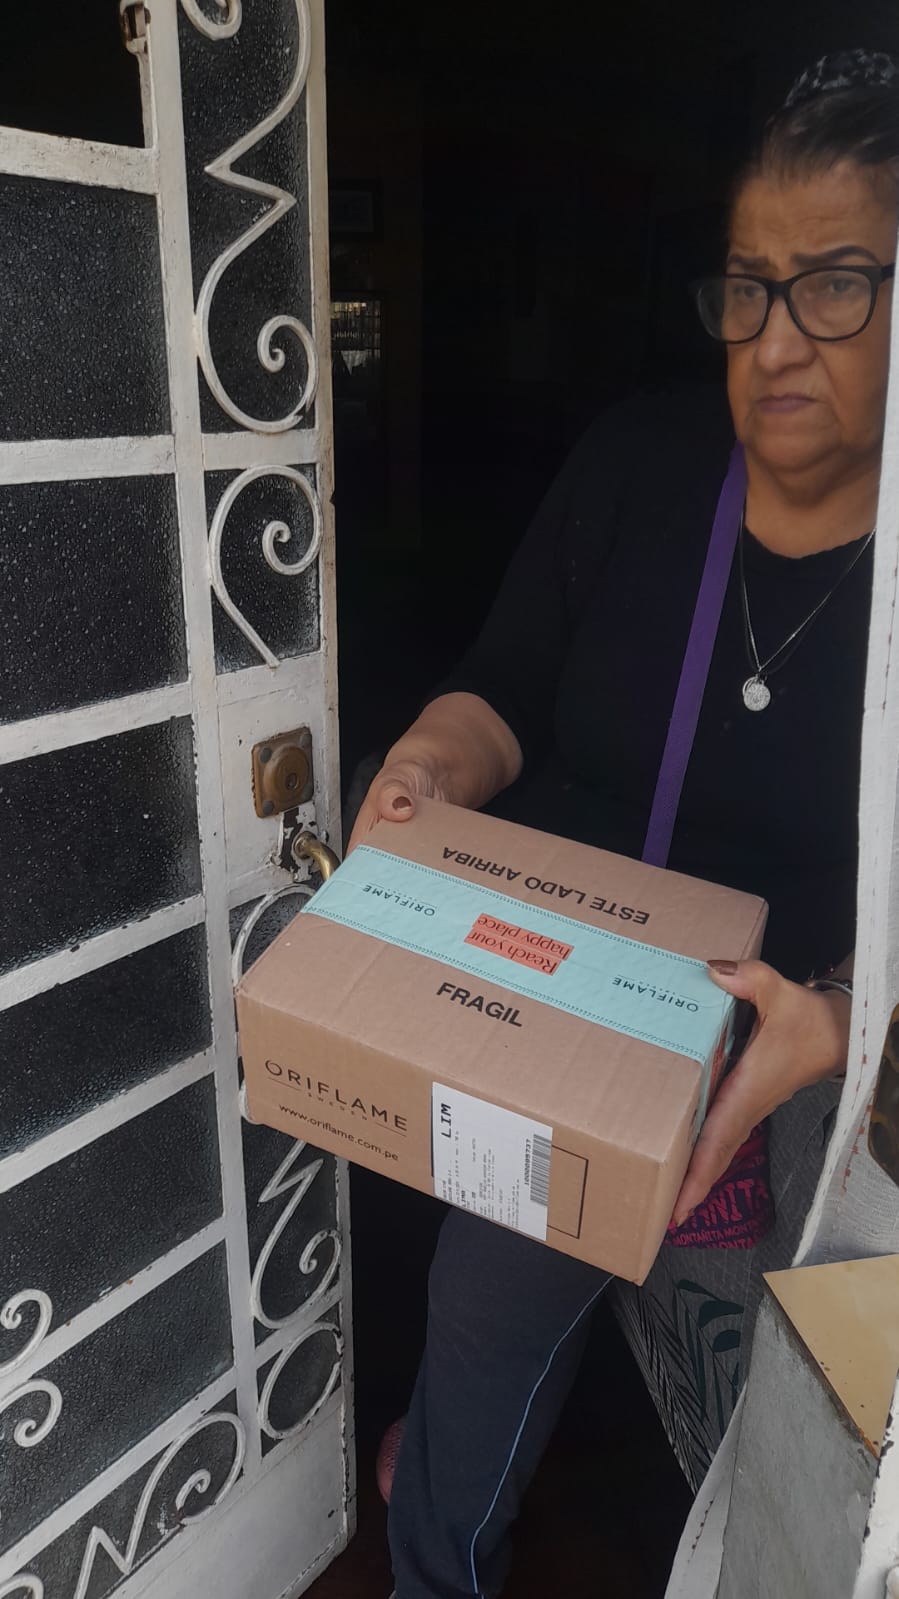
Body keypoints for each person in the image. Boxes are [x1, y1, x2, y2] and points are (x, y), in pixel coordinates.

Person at [349, 50, 897, 1599]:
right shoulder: (641, 465)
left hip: (803, 1070)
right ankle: (437, 1547)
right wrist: (433, 764)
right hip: (576, 1010)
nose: (774, 342)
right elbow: (505, 686)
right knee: (486, 1309)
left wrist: (847, 1018)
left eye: (836, 285)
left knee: (784, 1421)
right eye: (748, 286)